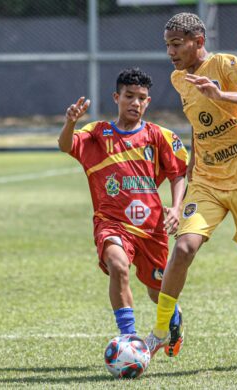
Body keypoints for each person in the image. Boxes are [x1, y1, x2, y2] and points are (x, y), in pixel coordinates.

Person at [145, 13, 237, 359]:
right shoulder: (180, 79)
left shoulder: (225, 64)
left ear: (198, 41)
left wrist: (222, 93)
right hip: (208, 179)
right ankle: (160, 330)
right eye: (167, 45)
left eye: (176, 44)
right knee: (183, 249)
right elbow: (197, 121)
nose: (171, 52)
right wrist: (193, 163)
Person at [58, 68, 188, 349]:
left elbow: (178, 173)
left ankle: (173, 315)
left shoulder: (158, 136)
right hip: (111, 222)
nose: (135, 103)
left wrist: (177, 208)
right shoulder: (97, 133)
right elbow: (65, 145)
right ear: (117, 97)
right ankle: (129, 337)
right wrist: (70, 123)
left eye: (141, 98)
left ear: (148, 102)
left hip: (152, 227)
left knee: (157, 292)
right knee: (118, 265)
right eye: (129, 96)